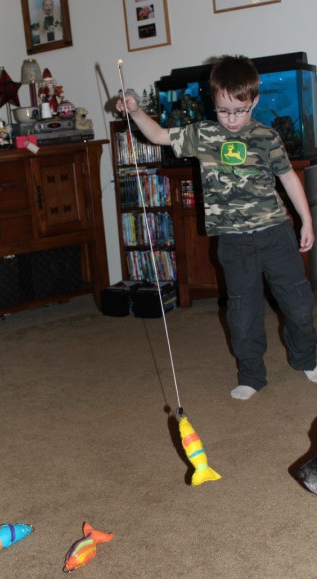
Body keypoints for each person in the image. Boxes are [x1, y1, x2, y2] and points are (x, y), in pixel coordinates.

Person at [117, 55, 317, 400]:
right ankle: (251, 374)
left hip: (274, 232)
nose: (233, 119)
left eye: (240, 110)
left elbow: (288, 178)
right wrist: (135, 111)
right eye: (224, 111)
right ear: (214, 102)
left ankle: (307, 357)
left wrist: (306, 220)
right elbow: (159, 135)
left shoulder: (266, 136)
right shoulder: (202, 134)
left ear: (254, 100)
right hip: (233, 241)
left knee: (299, 304)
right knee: (243, 312)